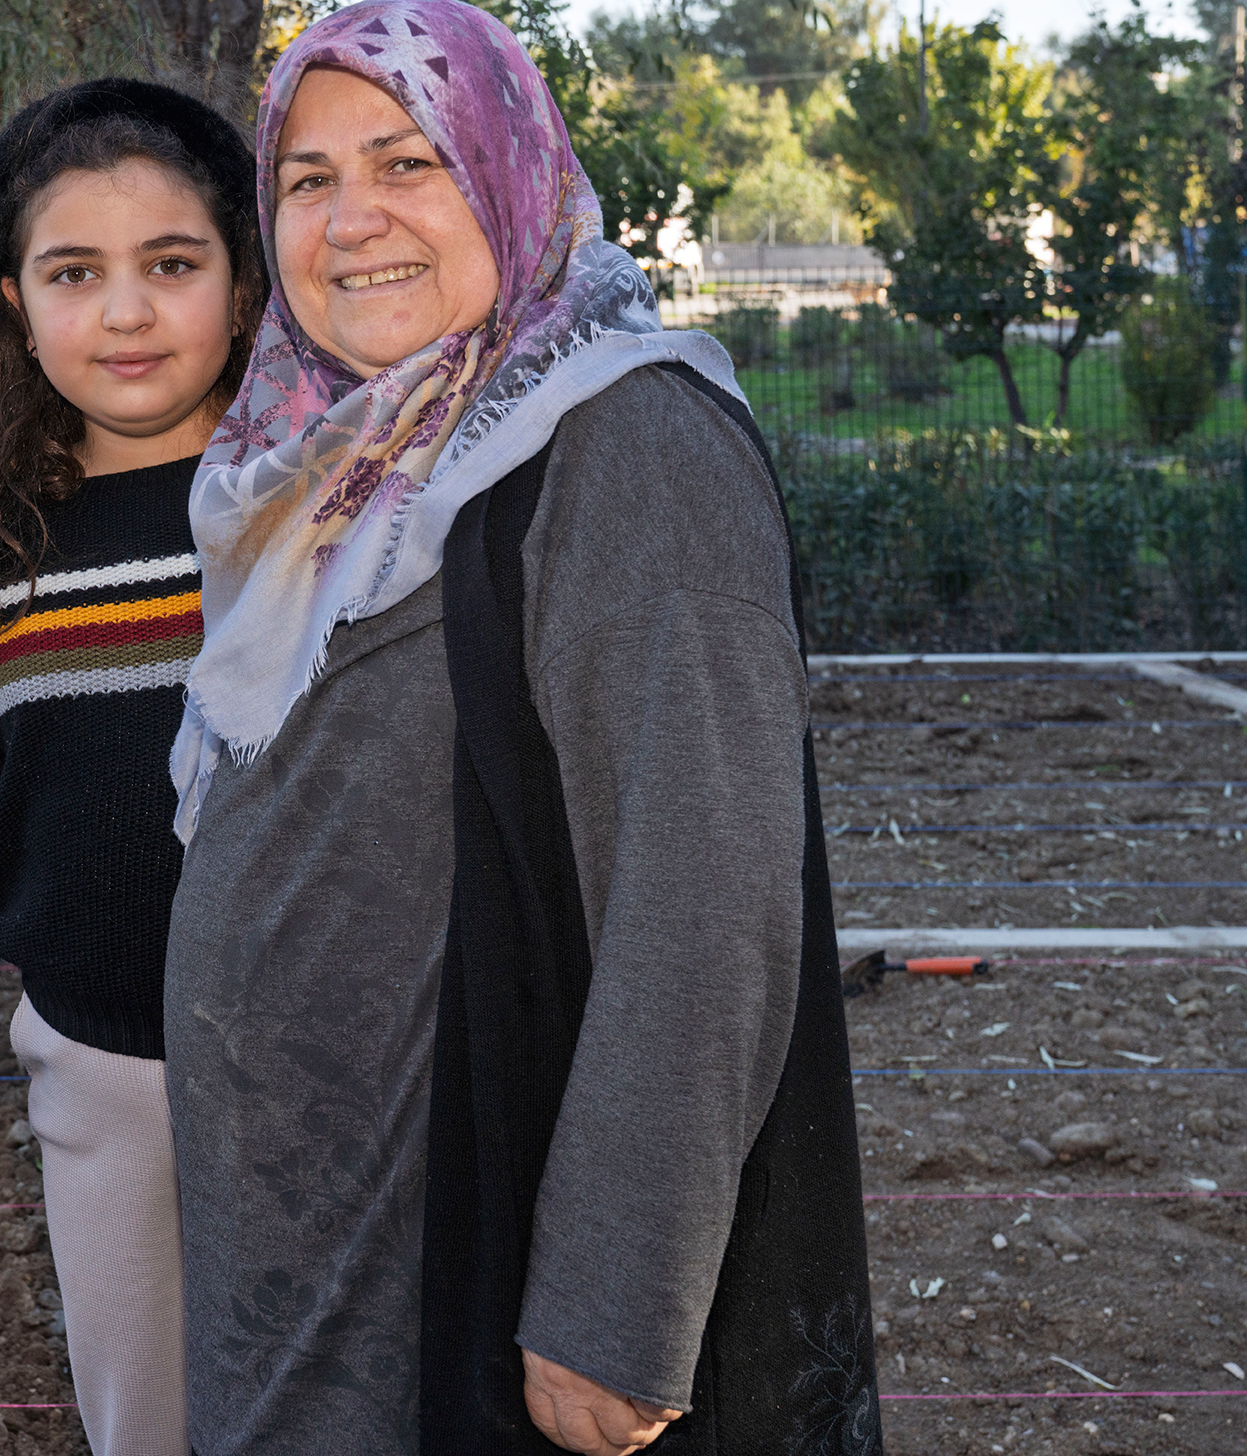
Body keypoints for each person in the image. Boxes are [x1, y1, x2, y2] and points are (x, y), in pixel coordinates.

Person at [161, 4, 879, 1454]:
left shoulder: (627, 443)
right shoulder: (338, 465)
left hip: (477, 1281)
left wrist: (616, 1307)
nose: (351, 219)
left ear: (508, 170)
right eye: (306, 178)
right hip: (316, 1272)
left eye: (409, 161)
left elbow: (704, 906)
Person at [0, 78, 266, 1456]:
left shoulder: (327, 523)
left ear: (247, 289)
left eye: (172, 266)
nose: (126, 312)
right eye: (76, 271)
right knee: (151, 1428)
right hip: (106, 1086)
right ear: (13, 301)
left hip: (344, 1079)